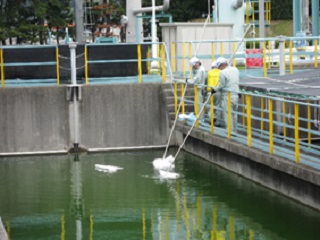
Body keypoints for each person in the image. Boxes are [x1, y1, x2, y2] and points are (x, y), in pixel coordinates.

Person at [213, 57, 239, 134]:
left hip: (227, 95)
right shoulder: (235, 69)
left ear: (221, 65)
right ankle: (235, 130)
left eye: (219, 67)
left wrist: (214, 89)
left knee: (228, 114)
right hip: (236, 94)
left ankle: (230, 131)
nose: (219, 69)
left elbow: (221, 85)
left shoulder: (223, 73)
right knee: (234, 113)